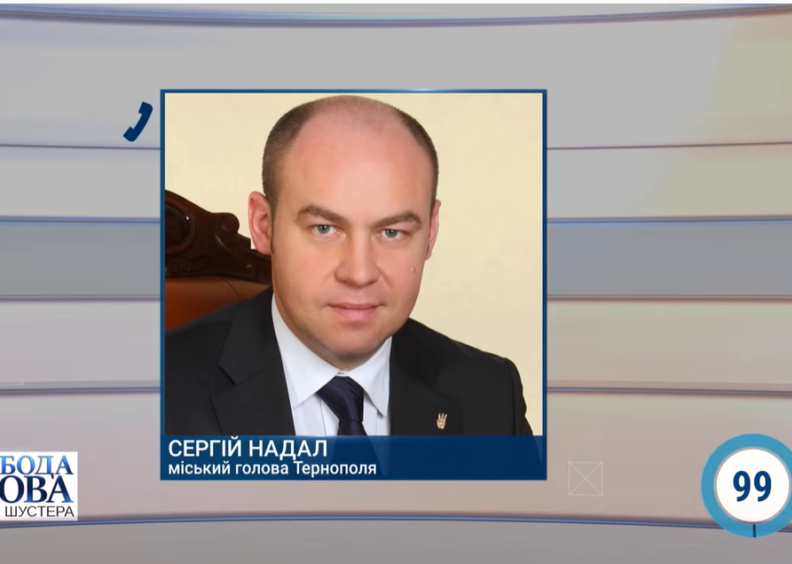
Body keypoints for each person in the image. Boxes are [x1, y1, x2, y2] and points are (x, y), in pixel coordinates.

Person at [165, 95, 533, 436]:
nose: (359, 274)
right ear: (264, 225)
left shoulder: (491, 395)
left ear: (431, 231)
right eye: (325, 229)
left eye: (391, 232)